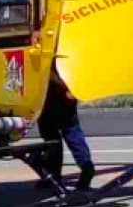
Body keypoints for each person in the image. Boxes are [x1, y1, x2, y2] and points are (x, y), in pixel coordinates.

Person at [37, 63, 95, 192]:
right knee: (72, 132)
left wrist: (60, 83)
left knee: (51, 138)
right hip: (65, 94)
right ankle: (86, 166)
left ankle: (54, 175)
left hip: (49, 96)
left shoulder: (47, 47)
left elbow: (44, 69)